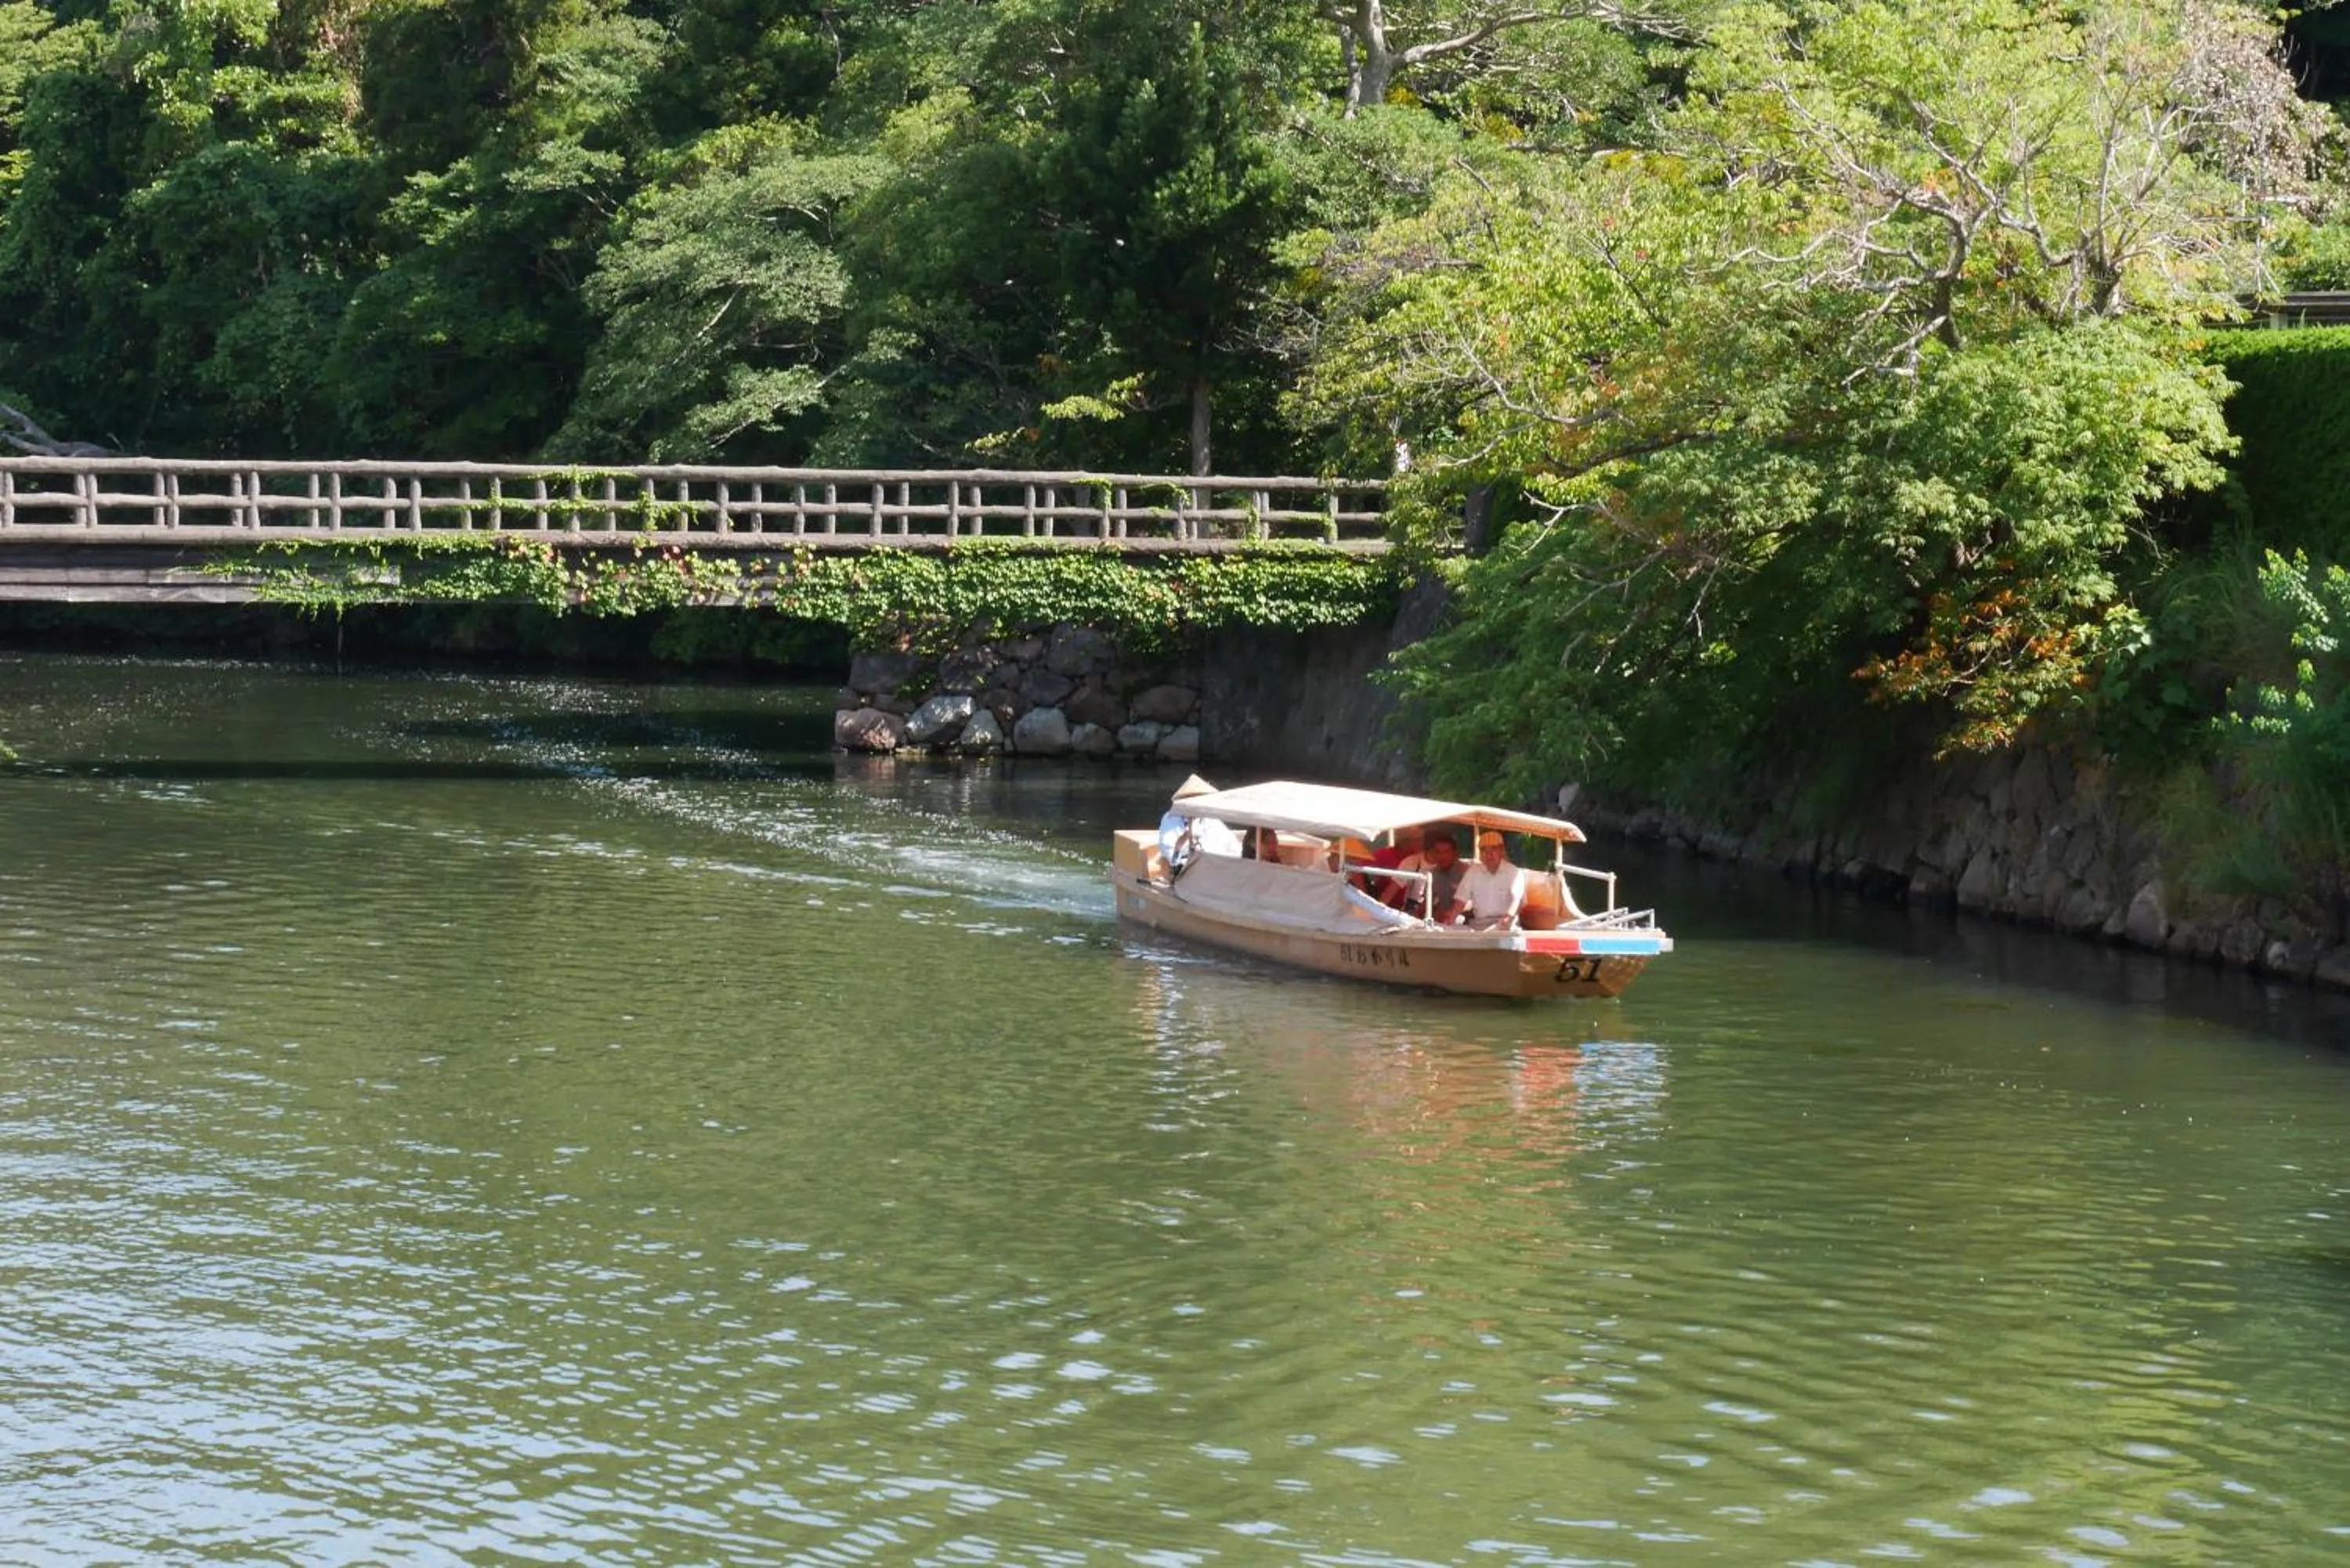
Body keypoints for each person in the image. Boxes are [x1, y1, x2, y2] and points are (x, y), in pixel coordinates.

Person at [1159, 774, 1238, 874]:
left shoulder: (1209, 818)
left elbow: (1231, 845)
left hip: (1216, 868)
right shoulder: (1171, 818)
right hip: (1187, 871)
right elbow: (1170, 853)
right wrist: (1185, 838)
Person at [1459, 829, 1528, 930]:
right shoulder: (1473, 871)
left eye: (1493, 849)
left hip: (1507, 924)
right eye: (1484, 851)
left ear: (1501, 851)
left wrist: (1507, 918)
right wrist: (1450, 919)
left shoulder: (1514, 872)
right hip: (1479, 924)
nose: (1489, 854)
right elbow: (1460, 900)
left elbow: (1517, 900)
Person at [1369, 824, 1426, 908]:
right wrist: (1365, 898)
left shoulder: (1421, 858)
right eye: (1418, 839)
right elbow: (1358, 870)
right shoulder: (1386, 854)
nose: (1422, 843)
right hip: (1387, 907)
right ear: (1406, 841)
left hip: (1410, 907)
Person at [1417, 831, 1467, 923]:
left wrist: (1452, 913)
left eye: (1446, 852)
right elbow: (1427, 903)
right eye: (1438, 852)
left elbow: (1472, 903)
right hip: (1444, 922)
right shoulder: (1432, 875)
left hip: (1466, 920)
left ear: (1455, 854)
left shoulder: (1466, 872)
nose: (1442, 856)